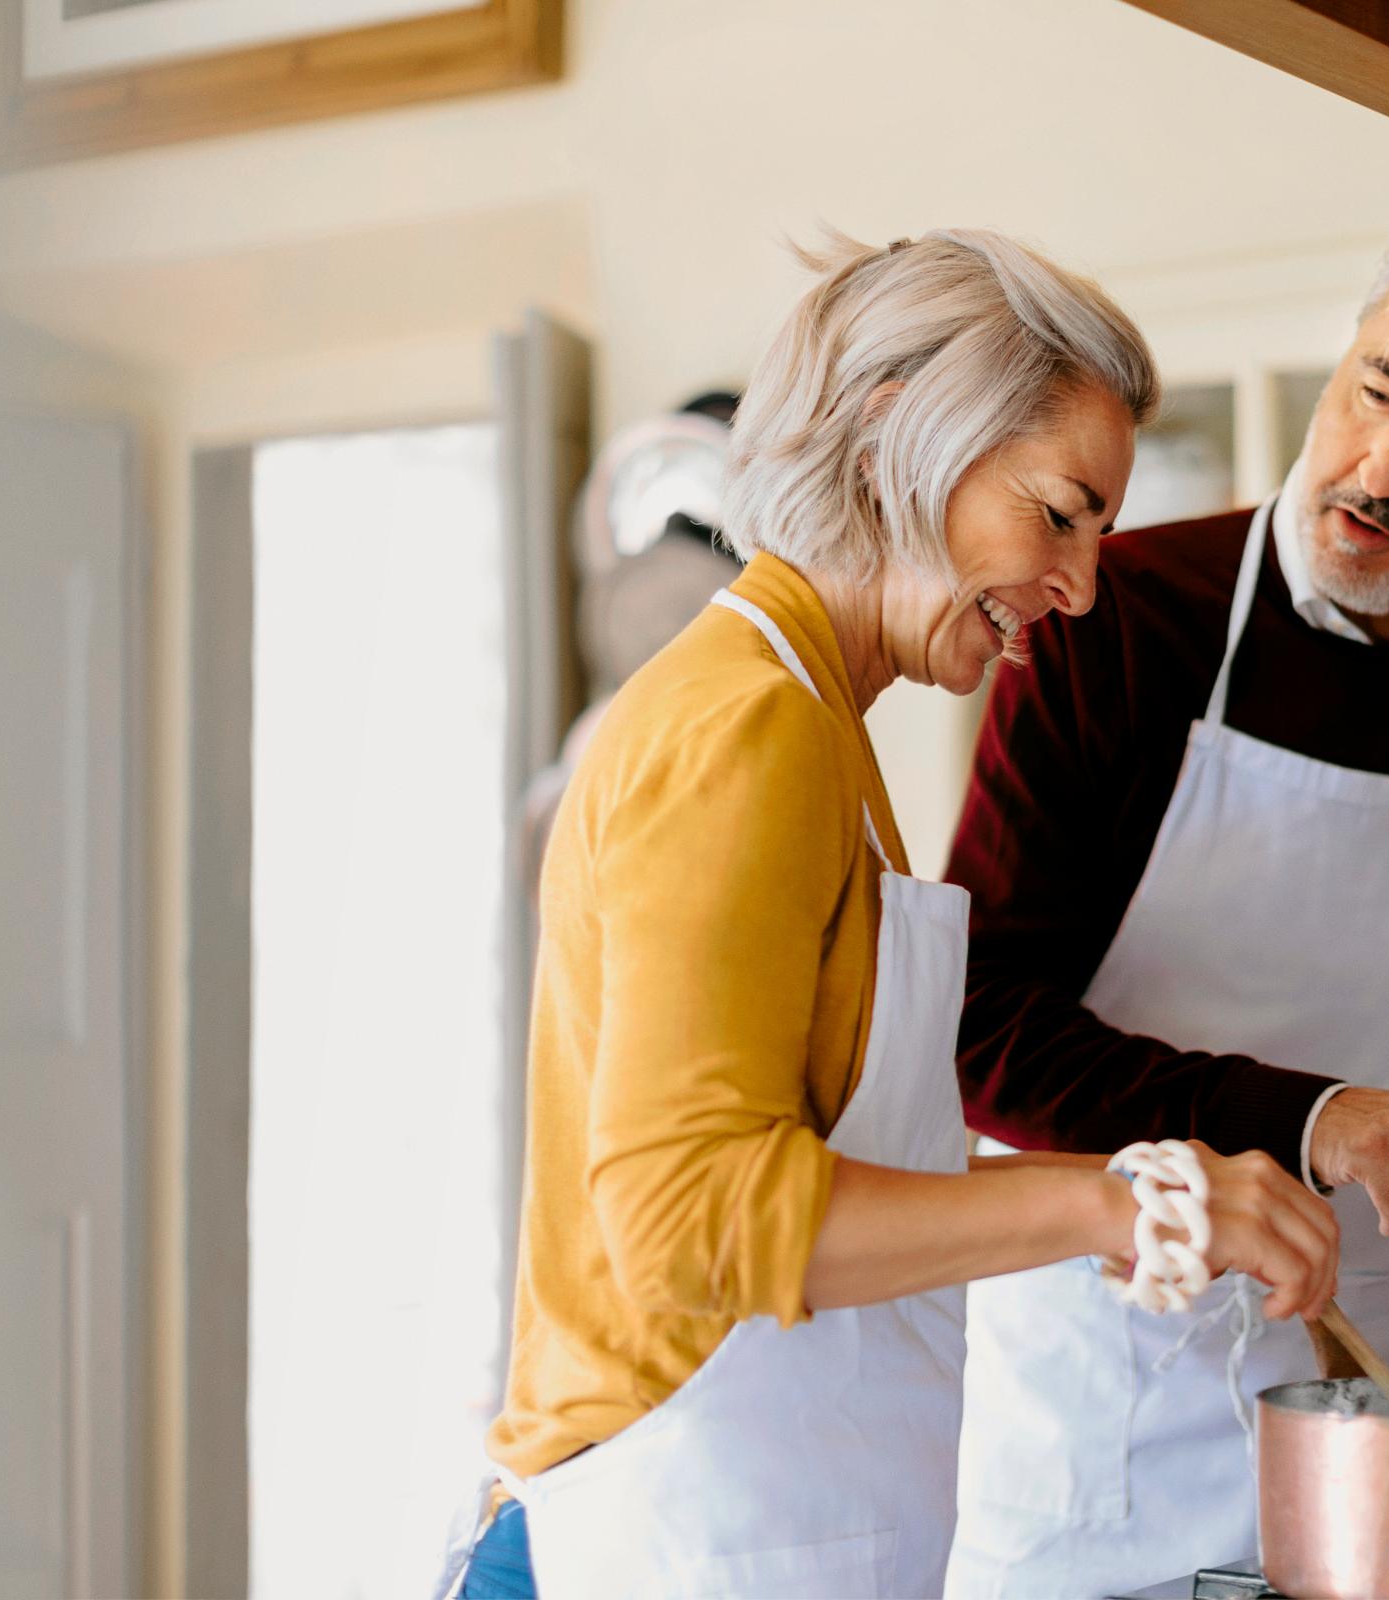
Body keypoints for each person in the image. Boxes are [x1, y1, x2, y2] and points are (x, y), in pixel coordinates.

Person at [451, 229, 1342, 1600]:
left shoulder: (816, 722)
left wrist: (1164, 1201)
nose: (1081, 584)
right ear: (891, 438)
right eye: (1057, 512)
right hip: (661, 1541)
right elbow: (695, 1218)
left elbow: (837, 1174)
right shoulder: (747, 728)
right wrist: (1116, 1205)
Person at [944, 189, 1389, 1597]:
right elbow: (977, 1028)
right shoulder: (1118, 622)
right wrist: (1315, 1120)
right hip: (1102, 1430)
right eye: (1379, 387)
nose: (1380, 466)